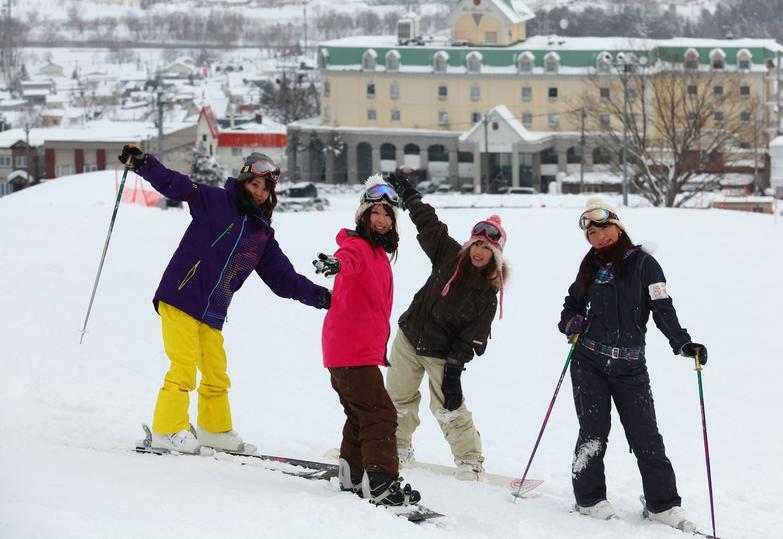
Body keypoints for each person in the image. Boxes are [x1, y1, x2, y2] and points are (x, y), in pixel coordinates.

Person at [118, 145, 330, 455]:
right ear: (244, 181)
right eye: (254, 184)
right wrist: (144, 164)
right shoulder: (215, 201)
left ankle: (213, 429)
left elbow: (284, 279)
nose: (258, 192)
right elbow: (175, 184)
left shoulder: (262, 236)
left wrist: (321, 297)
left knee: (216, 371)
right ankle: (167, 428)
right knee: (184, 365)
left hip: (213, 311)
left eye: (265, 188)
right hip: (180, 295)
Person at [559, 197, 708, 530]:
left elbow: (663, 309)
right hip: (589, 362)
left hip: (631, 368)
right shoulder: (589, 267)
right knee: (593, 434)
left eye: (604, 228)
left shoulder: (644, 264)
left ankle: (662, 504)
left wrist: (682, 343)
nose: (599, 237)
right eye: (592, 233)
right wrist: (572, 324)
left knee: (646, 437)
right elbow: (570, 307)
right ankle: (589, 498)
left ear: (618, 226)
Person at [381, 170, 508, 482]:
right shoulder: (449, 254)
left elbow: (473, 337)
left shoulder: (488, 293)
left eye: (486, 249)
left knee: (448, 406)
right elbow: (429, 224)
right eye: (476, 245)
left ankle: (469, 459)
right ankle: (398, 447)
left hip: (442, 352)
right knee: (398, 397)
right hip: (410, 337)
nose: (479, 252)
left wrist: (454, 368)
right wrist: (410, 197)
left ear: (495, 254)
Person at [313, 175, 422, 507]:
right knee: (381, 414)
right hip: (352, 350)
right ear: (362, 215)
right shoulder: (358, 247)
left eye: (387, 214)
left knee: (360, 414)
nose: (382, 219)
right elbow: (348, 258)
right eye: (375, 212)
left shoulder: (377, 253)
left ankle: (351, 471)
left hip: (346, 350)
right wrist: (336, 264)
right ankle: (380, 482)